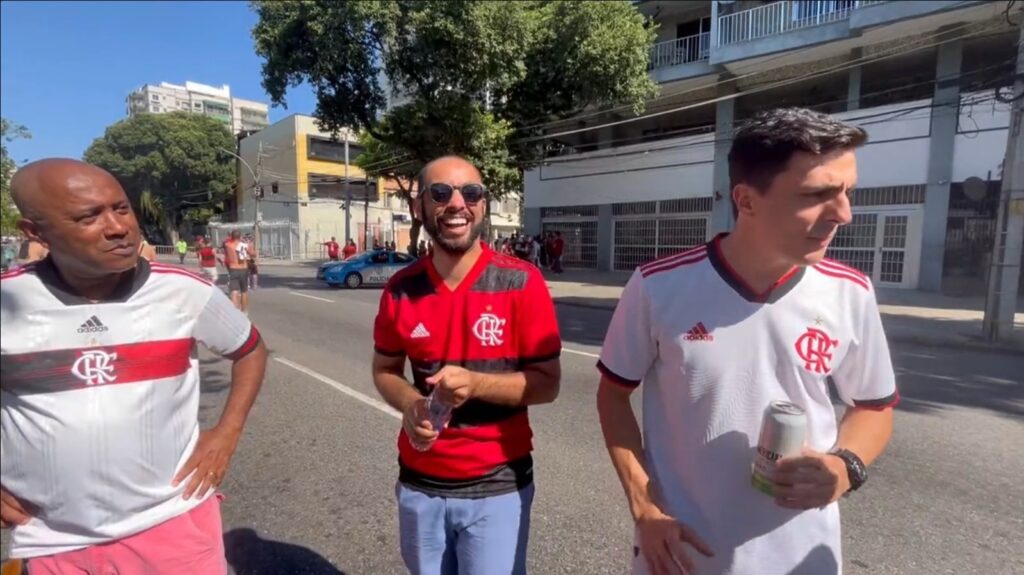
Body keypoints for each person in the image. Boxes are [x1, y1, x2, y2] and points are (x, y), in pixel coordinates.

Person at [596, 108, 898, 575]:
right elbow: (613, 397)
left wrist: (846, 466)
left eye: (847, 192)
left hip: (802, 557)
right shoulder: (658, 286)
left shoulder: (850, 292)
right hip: (681, 555)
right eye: (817, 194)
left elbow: (874, 406)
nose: (844, 213)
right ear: (747, 200)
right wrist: (645, 509)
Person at [1, 158, 267, 574]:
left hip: (173, 523)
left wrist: (227, 432)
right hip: (50, 538)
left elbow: (250, 350)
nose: (118, 227)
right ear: (36, 232)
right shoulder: (8, 302)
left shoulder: (182, 291)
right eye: (89, 217)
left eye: (121, 208)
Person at [372, 156, 562, 575]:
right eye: (441, 193)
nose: (457, 203)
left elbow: (547, 385)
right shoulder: (400, 289)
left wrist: (476, 384)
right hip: (419, 484)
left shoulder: (521, 282)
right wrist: (409, 404)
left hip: (496, 485)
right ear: (418, 208)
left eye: (471, 193)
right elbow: (384, 371)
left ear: (483, 205)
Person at [223, 230, 250, 313]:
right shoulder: (244, 245)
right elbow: (253, 253)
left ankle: (235, 311)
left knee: (234, 290)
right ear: (240, 236)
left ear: (231, 236)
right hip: (243, 268)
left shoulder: (228, 245)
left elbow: (225, 243)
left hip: (233, 268)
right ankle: (244, 311)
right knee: (244, 290)